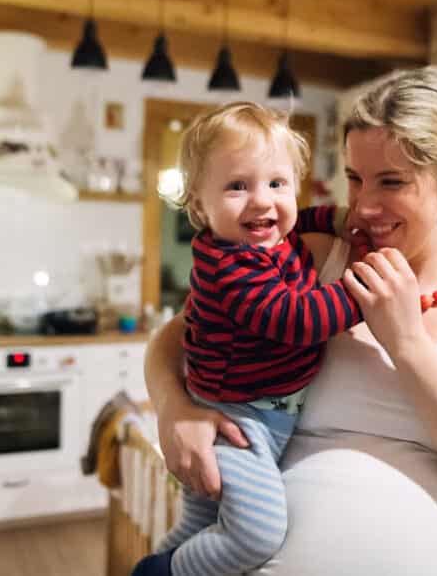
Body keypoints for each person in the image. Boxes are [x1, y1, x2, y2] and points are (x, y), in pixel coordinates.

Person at [145, 66, 437, 575]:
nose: (363, 206)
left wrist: (407, 344)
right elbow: (176, 337)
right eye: (356, 179)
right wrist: (174, 410)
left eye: (391, 182)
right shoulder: (316, 257)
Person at [132, 102, 364, 576]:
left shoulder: (273, 239)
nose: (262, 201)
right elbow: (295, 318)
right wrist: (363, 296)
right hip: (235, 421)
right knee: (256, 534)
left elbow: (300, 219)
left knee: (200, 524)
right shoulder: (231, 266)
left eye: (277, 183)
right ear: (199, 204)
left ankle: (163, 558)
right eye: (238, 186)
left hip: (253, 417)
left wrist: (333, 218)